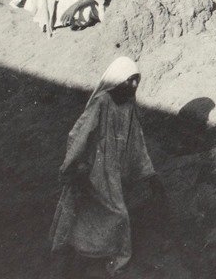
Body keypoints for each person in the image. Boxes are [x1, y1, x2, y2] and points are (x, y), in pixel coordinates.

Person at [50, 57, 158, 277]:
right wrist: (74, 165)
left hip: (113, 170)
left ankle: (89, 249)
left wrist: (147, 171)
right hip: (94, 169)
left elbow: (136, 139)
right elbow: (79, 134)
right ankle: (107, 257)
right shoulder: (102, 102)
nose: (134, 85)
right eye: (130, 80)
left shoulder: (129, 105)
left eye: (136, 80)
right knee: (117, 213)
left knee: (101, 212)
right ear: (118, 80)